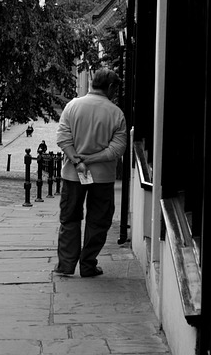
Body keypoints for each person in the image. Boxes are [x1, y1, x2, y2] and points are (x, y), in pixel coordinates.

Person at [53, 68, 127, 278]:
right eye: (115, 89)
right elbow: (117, 149)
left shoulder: (72, 106)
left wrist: (77, 160)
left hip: (72, 175)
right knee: (98, 220)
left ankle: (66, 266)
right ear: (111, 87)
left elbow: (63, 138)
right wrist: (92, 159)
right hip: (103, 177)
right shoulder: (116, 113)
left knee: (70, 218)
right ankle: (88, 264)